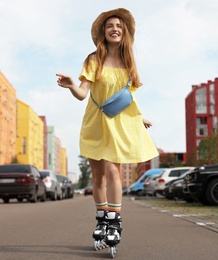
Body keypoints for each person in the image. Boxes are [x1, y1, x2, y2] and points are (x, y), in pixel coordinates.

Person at [56, 8, 159, 250]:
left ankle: (114, 222)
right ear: (104, 32)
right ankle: (101, 219)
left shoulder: (128, 63)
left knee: (114, 170)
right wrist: (72, 85)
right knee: (98, 176)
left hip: (120, 123)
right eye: (110, 25)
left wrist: (140, 117)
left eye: (119, 26)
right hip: (95, 121)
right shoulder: (94, 60)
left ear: (124, 33)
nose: (114, 29)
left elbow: (127, 97)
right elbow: (82, 94)